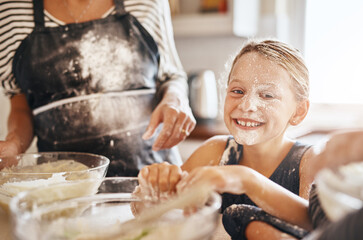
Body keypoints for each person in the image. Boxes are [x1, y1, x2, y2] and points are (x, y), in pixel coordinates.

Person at [135, 38, 316, 239]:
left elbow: (318, 223)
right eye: (237, 91)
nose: (247, 105)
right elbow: (145, 212)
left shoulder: (309, 162)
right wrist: (154, 187)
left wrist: (246, 179)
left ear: (299, 111)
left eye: (267, 95)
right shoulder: (215, 152)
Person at [0, 0, 196, 176]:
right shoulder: (10, 13)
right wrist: (14, 145)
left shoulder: (147, 2)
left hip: (154, 180)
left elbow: (171, 76)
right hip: (64, 190)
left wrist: (175, 99)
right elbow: (20, 107)